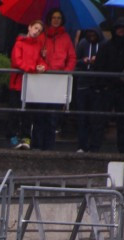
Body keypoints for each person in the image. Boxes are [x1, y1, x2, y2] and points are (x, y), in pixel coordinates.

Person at [89, 16, 124, 153]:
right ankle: (94, 148)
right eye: (119, 28)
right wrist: (102, 84)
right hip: (107, 87)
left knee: (123, 121)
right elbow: (98, 67)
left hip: (122, 89)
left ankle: (123, 150)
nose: (121, 31)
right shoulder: (106, 46)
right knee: (100, 120)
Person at [35, 8, 74, 150]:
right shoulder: (42, 36)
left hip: (58, 81)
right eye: (53, 18)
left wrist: (66, 72)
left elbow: (71, 58)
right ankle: (37, 145)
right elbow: (34, 55)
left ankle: (49, 147)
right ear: (49, 20)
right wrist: (42, 57)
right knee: (40, 114)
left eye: (58, 18)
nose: (56, 20)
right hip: (43, 80)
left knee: (52, 116)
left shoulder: (66, 38)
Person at [7, 19, 45, 150]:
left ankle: (26, 137)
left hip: (30, 84)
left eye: (39, 31)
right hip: (17, 82)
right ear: (29, 27)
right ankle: (13, 137)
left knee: (28, 114)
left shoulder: (38, 45)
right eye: (35, 28)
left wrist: (43, 67)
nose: (36, 32)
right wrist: (35, 68)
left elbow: (41, 60)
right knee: (14, 112)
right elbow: (17, 62)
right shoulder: (19, 43)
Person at [73, 27, 100, 153]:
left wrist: (97, 60)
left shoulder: (103, 44)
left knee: (95, 118)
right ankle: (81, 145)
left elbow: (107, 62)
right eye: (90, 33)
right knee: (82, 117)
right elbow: (75, 61)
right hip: (83, 84)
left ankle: (94, 146)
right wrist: (83, 61)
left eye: (94, 33)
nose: (92, 35)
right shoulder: (83, 43)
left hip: (97, 85)